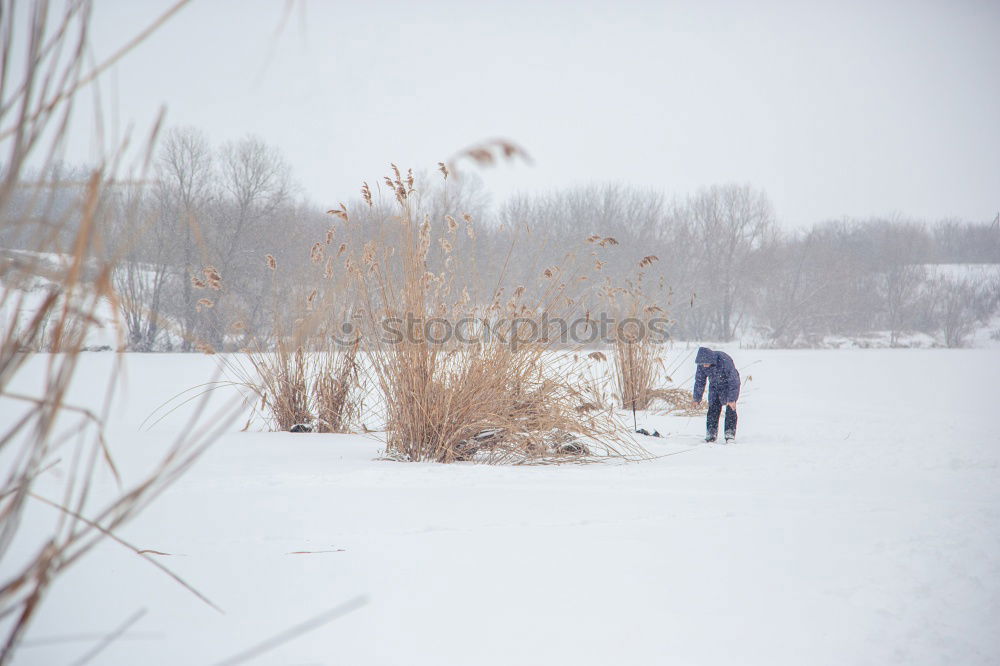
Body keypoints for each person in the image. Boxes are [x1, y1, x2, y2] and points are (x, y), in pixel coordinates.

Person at [692, 346, 740, 443]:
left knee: (731, 408)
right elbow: (699, 381)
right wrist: (697, 398)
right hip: (714, 386)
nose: (704, 366)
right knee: (713, 408)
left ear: (711, 359)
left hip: (729, 385)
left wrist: (732, 399)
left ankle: (729, 434)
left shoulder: (724, 360)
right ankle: (711, 434)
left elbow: (734, 380)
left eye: (706, 363)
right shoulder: (701, 364)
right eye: (702, 364)